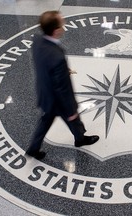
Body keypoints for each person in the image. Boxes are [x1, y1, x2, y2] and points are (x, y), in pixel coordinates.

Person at [26, 11, 99, 160]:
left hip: (44, 92)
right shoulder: (57, 57)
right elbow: (62, 88)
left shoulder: (37, 40)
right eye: (62, 24)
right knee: (73, 118)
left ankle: (33, 148)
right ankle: (80, 139)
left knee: (45, 121)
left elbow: (43, 62)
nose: (64, 27)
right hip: (57, 99)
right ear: (56, 31)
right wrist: (70, 108)